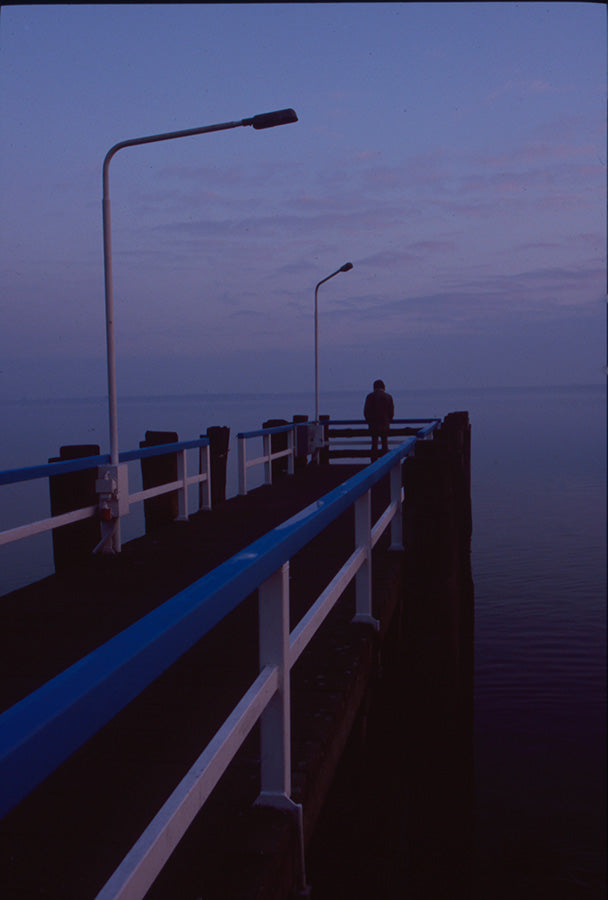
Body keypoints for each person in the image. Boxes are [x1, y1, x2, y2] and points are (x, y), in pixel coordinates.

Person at [364, 379, 394, 462]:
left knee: (374, 445)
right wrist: (388, 420)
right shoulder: (388, 397)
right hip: (384, 425)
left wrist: (369, 421)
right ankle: (385, 463)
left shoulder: (370, 396)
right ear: (383, 387)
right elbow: (391, 412)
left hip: (373, 425)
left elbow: (366, 412)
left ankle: (374, 465)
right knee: (385, 445)